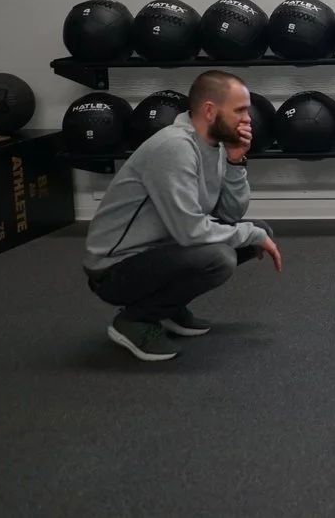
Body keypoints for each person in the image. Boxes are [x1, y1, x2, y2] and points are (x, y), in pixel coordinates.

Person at [81, 70, 283, 362]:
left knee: (256, 233)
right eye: (239, 110)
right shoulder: (175, 147)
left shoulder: (212, 146)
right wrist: (253, 234)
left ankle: (168, 307)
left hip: (159, 247)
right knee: (221, 257)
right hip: (114, 268)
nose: (248, 119)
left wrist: (236, 161)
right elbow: (191, 231)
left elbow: (228, 213)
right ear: (210, 111)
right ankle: (135, 321)